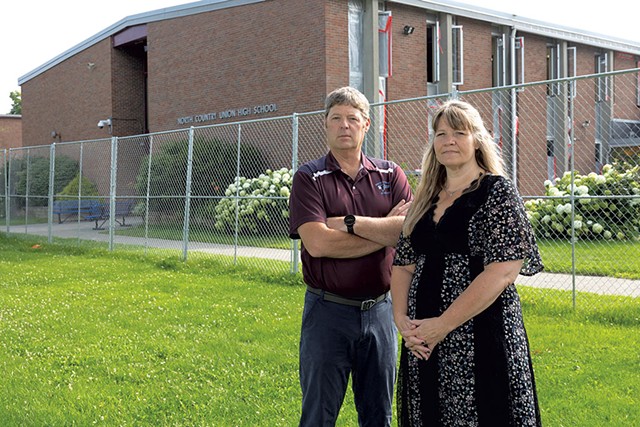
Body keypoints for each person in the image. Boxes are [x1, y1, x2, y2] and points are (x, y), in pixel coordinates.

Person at [390, 100, 544, 426]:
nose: (449, 141)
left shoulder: (497, 192)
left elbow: (503, 270)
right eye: (441, 133)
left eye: (459, 132)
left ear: (477, 140)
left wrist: (443, 324)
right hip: (423, 339)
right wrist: (402, 320)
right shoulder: (425, 199)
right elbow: (403, 264)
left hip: (481, 332)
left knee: (486, 412)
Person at [289, 86, 413, 427]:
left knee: (379, 415)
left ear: (366, 124)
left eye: (353, 119)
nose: (345, 125)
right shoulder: (308, 178)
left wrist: (348, 225)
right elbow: (318, 244)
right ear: (325, 124)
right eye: (336, 118)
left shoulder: (391, 174)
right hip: (328, 313)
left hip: (380, 311)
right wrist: (385, 230)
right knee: (318, 415)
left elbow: (407, 232)